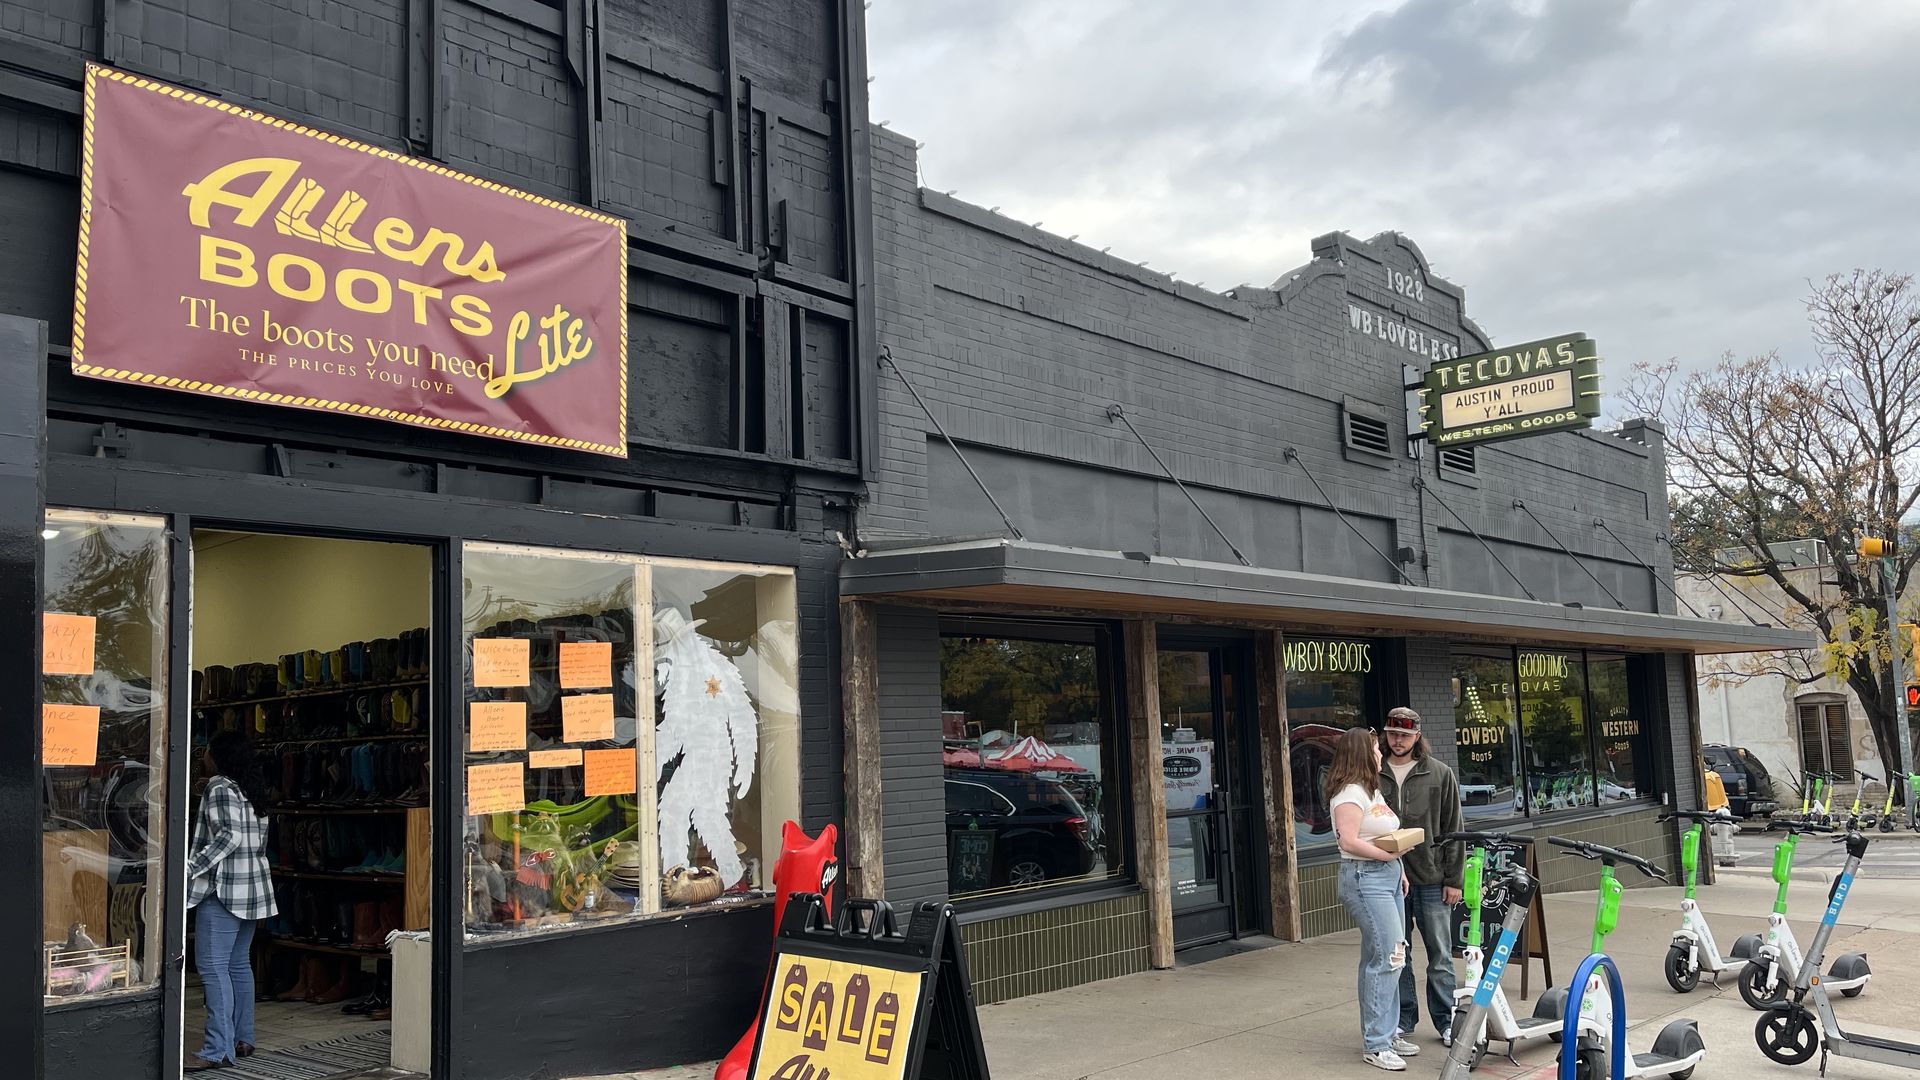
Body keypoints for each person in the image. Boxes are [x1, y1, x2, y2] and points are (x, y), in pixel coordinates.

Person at [185, 731, 277, 1071]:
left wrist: (191, 866)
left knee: (213, 968)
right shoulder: (250, 789)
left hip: (224, 890)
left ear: (218, 756)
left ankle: (217, 1049)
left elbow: (229, 836)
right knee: (238, 965)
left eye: (207, 750)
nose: (203, 755)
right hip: (253, 889)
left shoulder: (219, 786)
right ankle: (242, 1037)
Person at [1329, 725, 1415, 1071]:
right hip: (1365, 878)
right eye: (1376, 749)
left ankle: (1387, 1032)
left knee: (1387, 955)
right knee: (1389, 956)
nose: (1381, 753)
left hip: (1386, 875)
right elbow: (1348, 841)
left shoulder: (1371, 790)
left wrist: (1399, 868)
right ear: (1361, 754)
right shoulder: (1349, 793)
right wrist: (1387, 858)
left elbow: (1385, 834)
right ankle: (1377, 1043)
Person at [1377, 706, 1465, 1046]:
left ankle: (1446, 1020)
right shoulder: (1375, 771)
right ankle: (1403, 1019)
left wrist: (1454, 879)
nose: (1397, 741)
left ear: (1417, 736)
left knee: (1440, 955)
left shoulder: (1439, 773)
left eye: (1404, 735)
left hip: (1431, 876)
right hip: (1389, 877)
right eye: (1392, 734)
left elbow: (1453, 827)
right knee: (1398, 954)